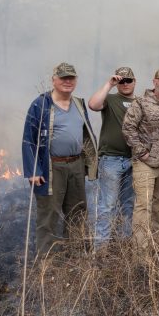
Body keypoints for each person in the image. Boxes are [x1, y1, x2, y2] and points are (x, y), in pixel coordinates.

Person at [22, 62, 98, 256]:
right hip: (51, 167)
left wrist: (91, 163)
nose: (67, 81)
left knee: (78, 211)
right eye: (63, 77)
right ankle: (47, 261)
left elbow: (87, 135)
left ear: (76, 81)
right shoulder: (41, 104)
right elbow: (28, 139)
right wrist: (33, 171)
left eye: (71, 78)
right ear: (54, 80)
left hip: (76, 164)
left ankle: (76, 255)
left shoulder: (80, 104)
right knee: (49, 214)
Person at [122, 68, 159, 250]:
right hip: (145, 164)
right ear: (154, 81)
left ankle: (157, 240)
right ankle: (141, 249)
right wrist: (141, 152)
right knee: (143, 206)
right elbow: (128, 128)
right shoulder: (141, 103)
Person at [88, 67, 136, 249]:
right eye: (121, 81)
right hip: (111, 160)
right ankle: (100, 248)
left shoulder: (140, 103)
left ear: (134, 82)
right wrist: (109, 84)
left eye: (128, 80)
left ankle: (125, 245)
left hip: (134, 160)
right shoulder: (110, 99)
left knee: (128, 205)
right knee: (107, 205)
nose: (125, 84)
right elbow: (93, 105)